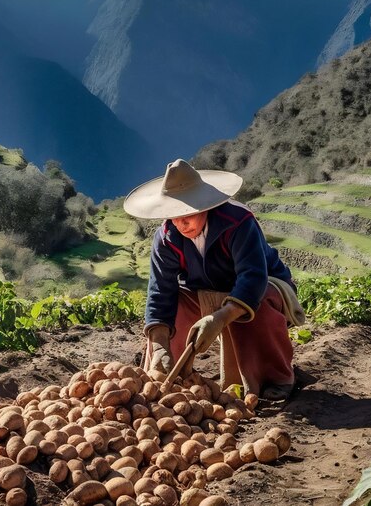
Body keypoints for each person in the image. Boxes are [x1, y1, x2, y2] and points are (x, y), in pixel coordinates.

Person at [123, 159, 304, 401]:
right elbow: (160, 291)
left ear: (204, 205)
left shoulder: (238, 222)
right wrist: (158, 344)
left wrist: (221, 317)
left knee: (258, 302)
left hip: (263, 285)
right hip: (203, 290)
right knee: (174, 306)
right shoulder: (166, 238)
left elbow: (252, 277)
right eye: (174, 216)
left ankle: (276, 377)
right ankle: (168, 375)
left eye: (187, 214)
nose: (180, 223)